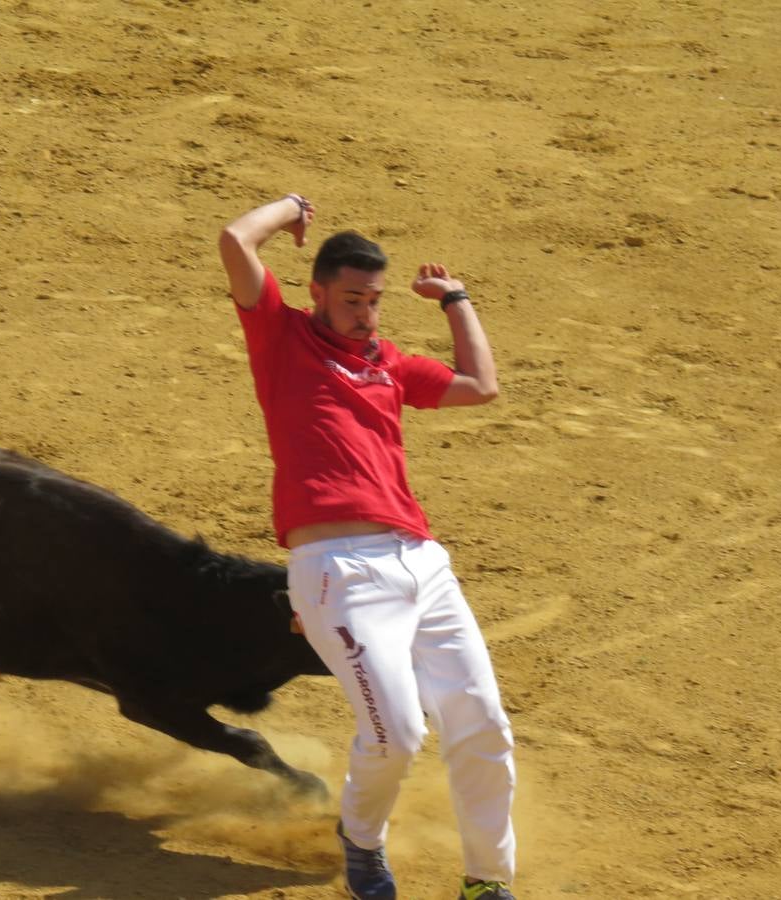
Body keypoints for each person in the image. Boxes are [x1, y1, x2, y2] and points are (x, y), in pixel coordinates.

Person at [217, 193, 517, 900]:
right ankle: (361, 840)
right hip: (337, 573)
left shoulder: (389, 363)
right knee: (397, 735)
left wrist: (456, 300)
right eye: (352, 298)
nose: (365, 312)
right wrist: (290, 209)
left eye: (375, 300)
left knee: (484, 725)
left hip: (421, 561)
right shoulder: (281, 336)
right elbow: (235, 242)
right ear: (317, 291)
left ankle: (486, 881)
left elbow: (482, 386)